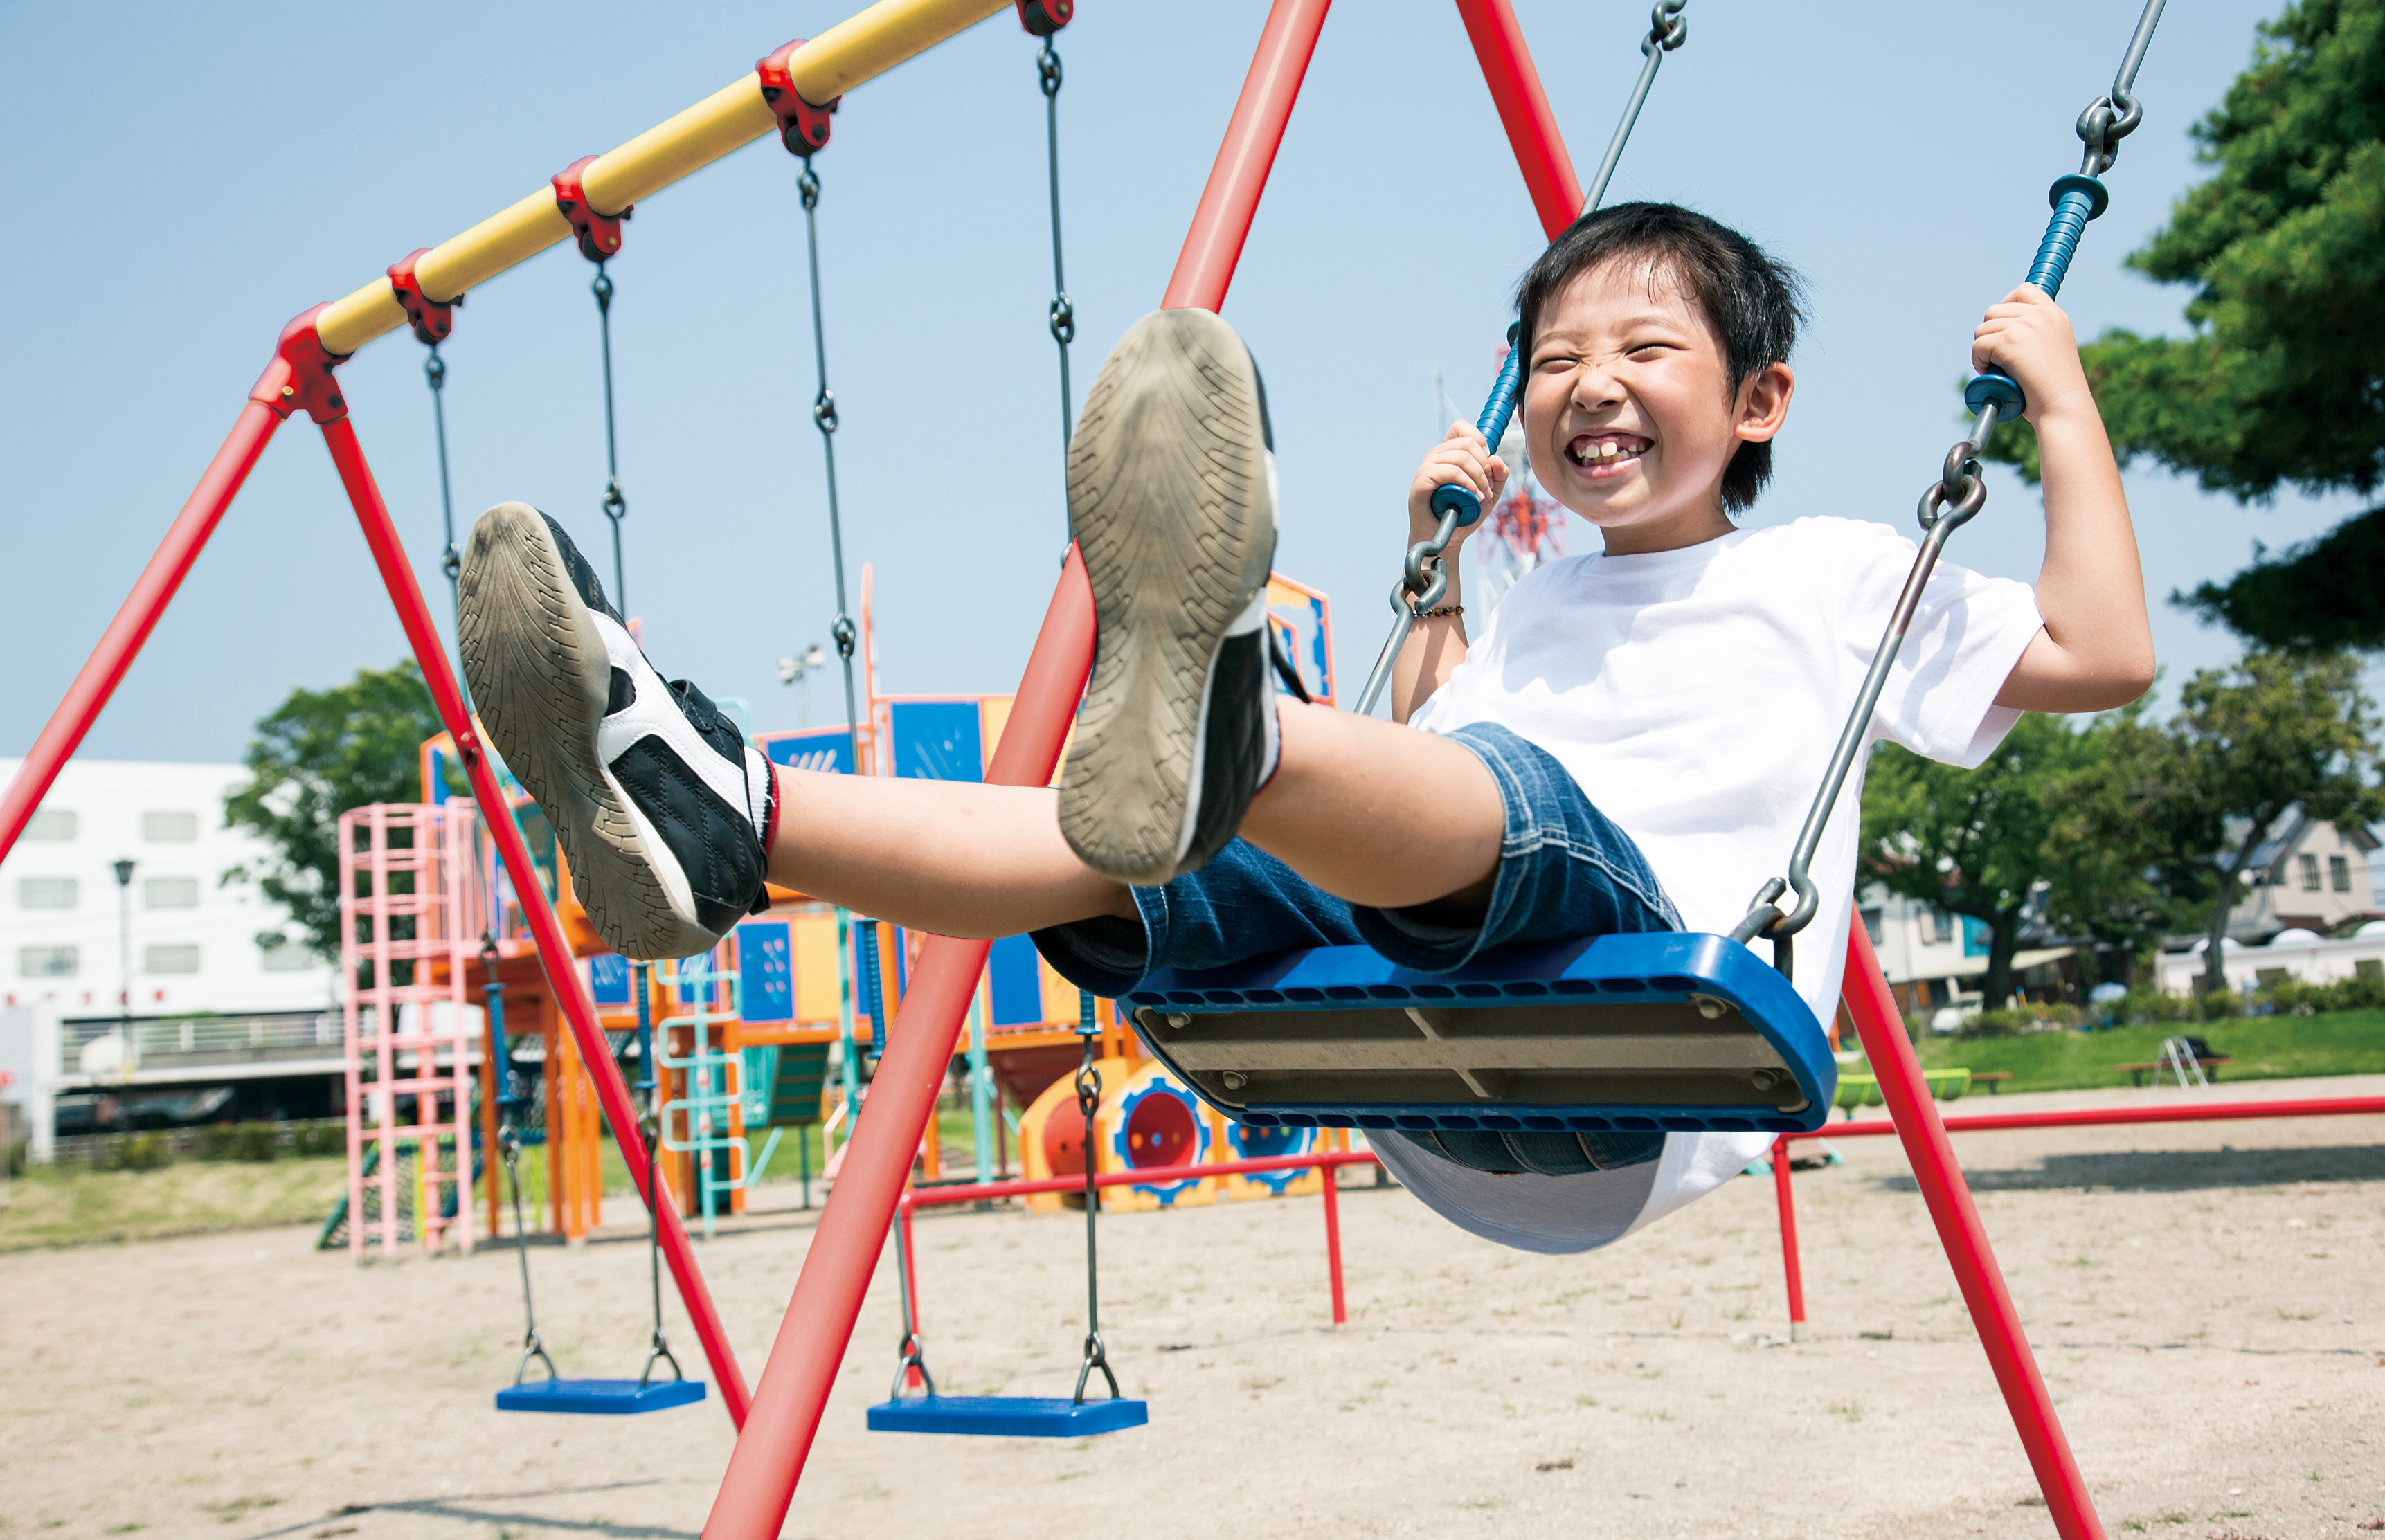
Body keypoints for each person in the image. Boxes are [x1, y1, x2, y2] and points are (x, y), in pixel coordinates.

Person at [456, 203, 2152, 1255]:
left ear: (1760, 401)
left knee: (1494, 807)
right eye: (1552, 358)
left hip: (1645, 1044)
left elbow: (2103, 650)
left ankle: (1231, 728)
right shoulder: (1528, 600)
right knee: (1113, 846)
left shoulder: (1833, 572)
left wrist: (2061, 401)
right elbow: (1423, 761)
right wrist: (1439, 580)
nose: (1587, 383)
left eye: (1643, 347)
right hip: (1440, 1059)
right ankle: (732, 815)